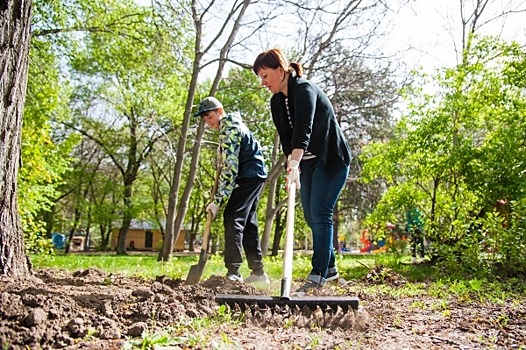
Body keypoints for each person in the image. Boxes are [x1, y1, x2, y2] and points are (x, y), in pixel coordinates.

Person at [253, 48, 352, 294]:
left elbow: (303, 130)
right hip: (305, 163)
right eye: (260, 78)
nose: (263, 82)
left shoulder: (304, 89)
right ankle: (329, 269)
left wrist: (296, 161)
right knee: (311, 216)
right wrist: (292, 165)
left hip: (330, 160)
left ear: (280, 69)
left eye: (265, 75)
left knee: (320, 214)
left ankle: (318, 274)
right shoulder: (276, 102)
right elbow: (287, 138)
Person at [194, 96, 269, 284]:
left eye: (209, 117)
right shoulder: (232, 125)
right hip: (256, 174)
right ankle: (258, 273)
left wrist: (217, 201)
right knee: (248, 222)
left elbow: (230, 170)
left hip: (249, 175)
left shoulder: (229, 130)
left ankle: (233, 272)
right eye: (205, 120)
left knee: (232, 217)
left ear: (220, 111)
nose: (208, 122)